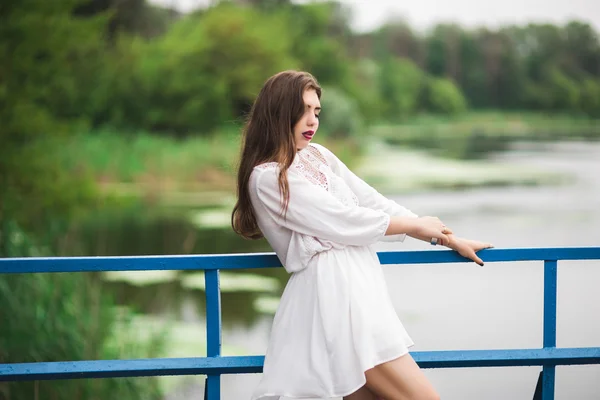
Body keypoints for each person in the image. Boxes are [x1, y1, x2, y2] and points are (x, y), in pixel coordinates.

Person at [232, 70, 493, 400]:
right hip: (332, 298)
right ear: (279, 111)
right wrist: (415, 227)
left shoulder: (318, 155)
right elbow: (341, 219)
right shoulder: (267, 177)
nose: (312, 120)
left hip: (360, 290)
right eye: (303, 110)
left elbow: (372, 201)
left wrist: (444, 236)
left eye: (317, 111)